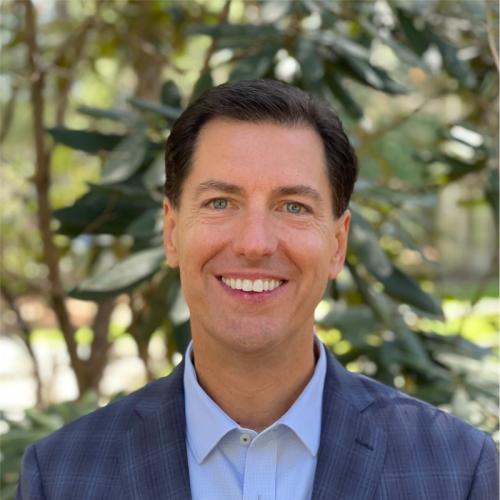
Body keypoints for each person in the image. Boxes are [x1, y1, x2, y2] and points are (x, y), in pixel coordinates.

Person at [17, 79, 498, 500]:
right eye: (220, 202)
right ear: (171, 232)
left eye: (293, 207)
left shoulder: (457, 469)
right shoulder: (61, 476)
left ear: (337, 244)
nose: (254, 243)